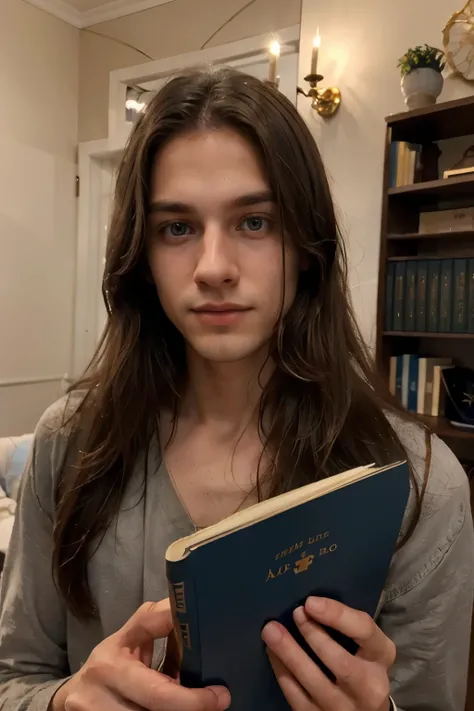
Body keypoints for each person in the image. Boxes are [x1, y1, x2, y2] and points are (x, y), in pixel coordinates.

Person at [0, 67, 472, 711]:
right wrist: (62, 703)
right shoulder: (68, 443)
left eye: (254, 222)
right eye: (177, 228)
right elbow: (12, 675)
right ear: (141, 255)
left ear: (308, 246)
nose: (213, 268)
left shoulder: (420, 487)